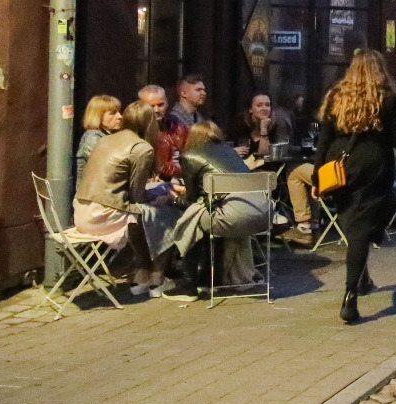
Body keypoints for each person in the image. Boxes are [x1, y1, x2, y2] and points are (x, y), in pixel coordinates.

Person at [313, 50, 396, 324]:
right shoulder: (387, 98)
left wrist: (317, 177)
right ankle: (350, 296)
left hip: (339, 168)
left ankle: (363, 278)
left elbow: (323, 140)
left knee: (352, 224)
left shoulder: (336, 96)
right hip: (374, 165)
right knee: (361, 229)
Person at [73, 101, 179, 297]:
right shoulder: (141, 148)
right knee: (169, 215)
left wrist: (160, 189)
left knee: (145, 215)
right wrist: (163, 193)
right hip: (103, 215)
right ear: (149, 124)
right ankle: (157, 278)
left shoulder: (106, 139)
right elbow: (137, 195)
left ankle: (142, 274)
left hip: (82, 210)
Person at [168, 121, 274, 293]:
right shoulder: (229, 152)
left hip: (232, 216)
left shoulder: (190, 155)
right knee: (211, 213)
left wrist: (172, 199)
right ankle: (213, 278)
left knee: (193, 218)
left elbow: (192, 200)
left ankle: (190, 284)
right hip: (263, 213)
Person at [234, 92, 293, 159]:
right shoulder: (241, 126)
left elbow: (264, 156)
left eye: (267, 105)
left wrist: (264, 129)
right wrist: (233, 151)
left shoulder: (277, 126)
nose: (264, 109)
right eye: (259, 105)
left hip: (270, 167)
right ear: (250, 109)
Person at [75, 94, 122, 177]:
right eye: (112, 113)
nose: (120, 116)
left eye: (119, 112)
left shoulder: (107, 134)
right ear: (98, 116)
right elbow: (108, 167)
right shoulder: (93, 137)